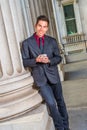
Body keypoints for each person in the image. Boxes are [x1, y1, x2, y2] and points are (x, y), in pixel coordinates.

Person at [21, 15, 70, 130]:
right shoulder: (27, 43)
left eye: (44, 27)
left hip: (54, 77)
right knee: (51, 104)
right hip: (41, 80)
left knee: (60, 102)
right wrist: (35, 60)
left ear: (47, 28)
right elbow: (24, 62)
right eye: (39, 26)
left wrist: (49, 60)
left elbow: (58, 58)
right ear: (35, 26)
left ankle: (66, 126)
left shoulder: (52, 41)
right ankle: (60, 127)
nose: (41, 29)